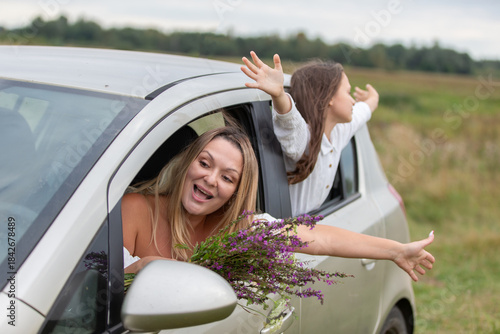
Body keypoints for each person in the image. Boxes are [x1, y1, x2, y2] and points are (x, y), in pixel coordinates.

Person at [122, 126, 435, 282]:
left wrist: (395, 251)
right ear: (188, 163)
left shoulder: (239, 232)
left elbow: (320, 238)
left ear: (235, 192)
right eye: (205, 164)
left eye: (228, 178)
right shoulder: (134, 210)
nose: (211, 180)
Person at [241, 51, 379, 216]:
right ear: (330, 98)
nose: (353, 101)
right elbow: (290, 123)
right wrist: (279, 95)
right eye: (348, 93)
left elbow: (364, 109)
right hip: (284, 236)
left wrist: (373, 97)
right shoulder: (303, 139)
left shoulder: (340, 131)